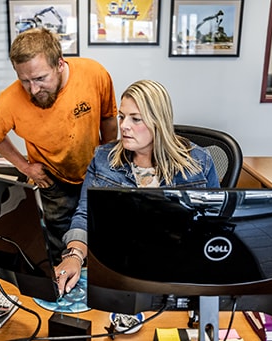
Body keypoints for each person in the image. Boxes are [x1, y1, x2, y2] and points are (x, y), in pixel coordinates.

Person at [55, 80, 220, 296]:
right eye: (122, 117)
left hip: (180, 271)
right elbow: (85, 215)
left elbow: (216, 224)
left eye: (136, 119)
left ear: (158, 122)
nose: (123, 126)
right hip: (120, 270)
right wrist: (74, 255)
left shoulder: (199, 162)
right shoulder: (103, 159)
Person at [0, 28, 117, 254]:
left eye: (40, 78)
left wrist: (105, 160)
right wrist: (25, 167)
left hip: (94, 172)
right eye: (24, 80)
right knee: (61, 243)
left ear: (59, 63)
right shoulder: (7, 103)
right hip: (52, 180)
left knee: (99, 234)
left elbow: (109, 118)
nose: (33, 89)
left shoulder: (93, 74)